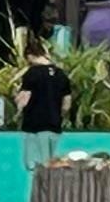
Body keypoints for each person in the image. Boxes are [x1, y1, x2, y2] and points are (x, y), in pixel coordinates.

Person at [16, 53, 73, 183]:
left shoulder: (32, 73)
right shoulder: (61, 74)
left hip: (34, 126)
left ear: (31, 56)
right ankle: (50, 191)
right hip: (54, 125)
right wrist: (59, 115)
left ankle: (39, 192)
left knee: (35, 166)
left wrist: (18, 108)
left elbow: (25, 98)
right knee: (50, 164)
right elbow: (67, 103)